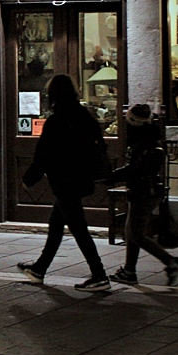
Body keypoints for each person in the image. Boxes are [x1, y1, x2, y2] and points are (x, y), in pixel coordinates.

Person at [17, 74, 110, 291]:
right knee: (56, 225)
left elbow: (43, 155)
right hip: (80, 179)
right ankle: (39, 268)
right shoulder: (85, 116)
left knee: (78, 229)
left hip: (65, 182)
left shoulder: (56, 121)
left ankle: (99, 275)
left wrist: (29, 179)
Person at [106, 104, 178, 286]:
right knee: (132, 232)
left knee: (136, 234)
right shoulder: (150, 138)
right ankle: (129, 271)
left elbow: (136, 169)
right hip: (146, 191)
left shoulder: (142, 142)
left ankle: (171, 262)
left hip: (144, 192)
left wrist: (113, 176)